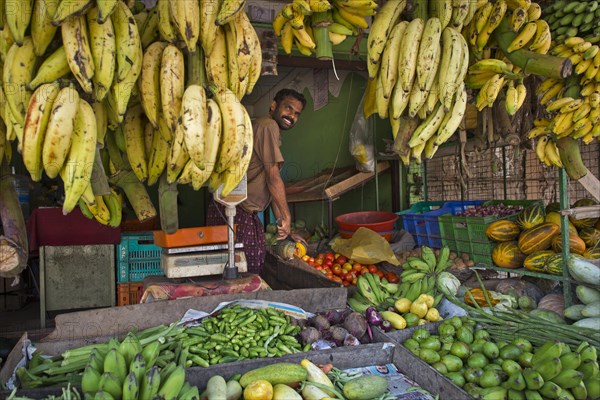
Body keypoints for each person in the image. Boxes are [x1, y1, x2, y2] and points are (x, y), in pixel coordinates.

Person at [206, 89, 307, 274]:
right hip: (238, 213)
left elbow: (271, 185)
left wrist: (284, 224)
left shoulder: (262, 126)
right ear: (274, 105)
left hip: (229, 210)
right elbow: (273, 176)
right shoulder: (268, 126)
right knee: (246, 274)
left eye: (296, 113)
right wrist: (287, 215)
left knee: (227, 273)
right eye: (288, 108)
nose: (291, 116)